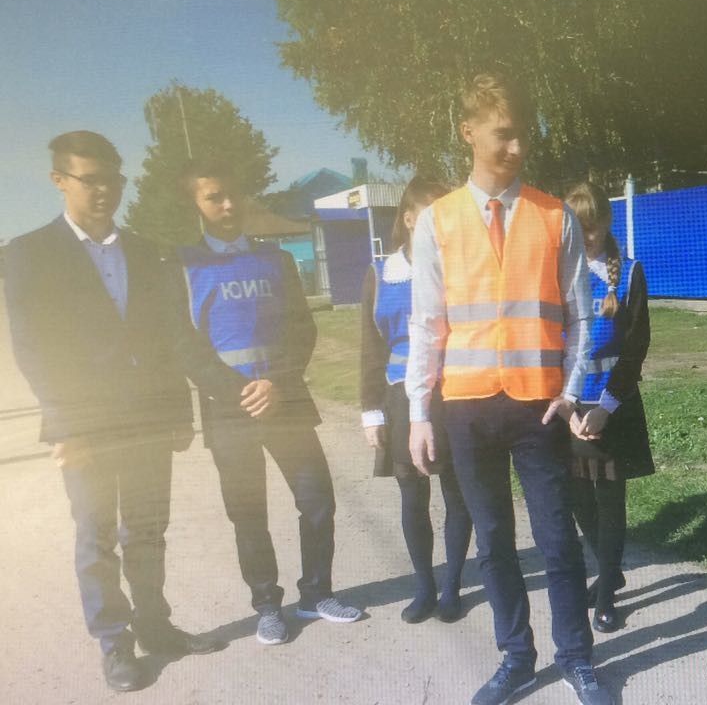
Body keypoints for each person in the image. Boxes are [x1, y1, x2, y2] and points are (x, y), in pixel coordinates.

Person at [404, 72, 611, 705]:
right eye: (504, 135)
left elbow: (580, 315)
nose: (518, 147)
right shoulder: (437, 221)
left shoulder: (554, 217)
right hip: (465, 409)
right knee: (493, 542)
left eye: (524, 134)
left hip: (537, 407)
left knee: (556, 542)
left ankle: (576, 657)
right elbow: (426, 323)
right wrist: (418, 412)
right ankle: (516, 657)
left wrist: (572, 391)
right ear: (467, 133)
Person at [5, 131, 222, 692]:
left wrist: (179, 412)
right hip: (88, 426)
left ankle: (155, 624)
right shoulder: (28, 254)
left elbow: (172, 336)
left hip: (149, 419)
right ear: (60, 180)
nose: (105, 191)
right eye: (90, 179)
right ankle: (115, 642)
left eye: (114, 180)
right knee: (96, 534)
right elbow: (34, 348)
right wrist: (66, 425)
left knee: (149, 529)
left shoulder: (149, 251)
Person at [174, 159, 362, 646]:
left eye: (233, 193)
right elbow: (183, 345)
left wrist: (277, 381)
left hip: (286, 401)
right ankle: (267, 607)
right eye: (214, 196)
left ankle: (316, 593)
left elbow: (303, 327)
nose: (228, 205)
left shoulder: (276, 260)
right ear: (195, 204)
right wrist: (237, 390)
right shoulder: (182, 267)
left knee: (317, 500)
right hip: (228, 410)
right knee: (248, 512)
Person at [360, 176, 473, 624]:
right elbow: (370, 348)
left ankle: (452, 588)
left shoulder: (460, 267)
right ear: (408, 219)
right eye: (429, 214)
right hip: (399, 397)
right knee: (412, 495)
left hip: (453, 392)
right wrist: (371, 411)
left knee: (457, 493)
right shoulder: (380, 273)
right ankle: (424, 586)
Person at [562, 181, 655, 634]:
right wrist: (568, 407)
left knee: (610, 501)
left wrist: (606, 406)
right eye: (581, 226)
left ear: (607, 221)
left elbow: (636, 346)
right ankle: (609, 568)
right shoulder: (559, 273)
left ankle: (604, 596)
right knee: (579, 499)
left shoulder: (631, 271)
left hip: (613, 403)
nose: (590, 233)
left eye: (596, 224)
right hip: (571, 404)